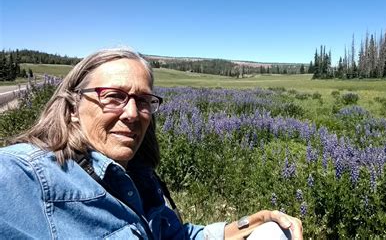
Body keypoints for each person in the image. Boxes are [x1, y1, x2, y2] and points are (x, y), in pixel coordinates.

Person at [0, 47, 302, 239]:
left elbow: (178, 236)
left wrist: (252, 223)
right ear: (72, 108)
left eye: (142, 100)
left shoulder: (138, 178)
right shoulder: (29, 175)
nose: (132, 113)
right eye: (113, 96)